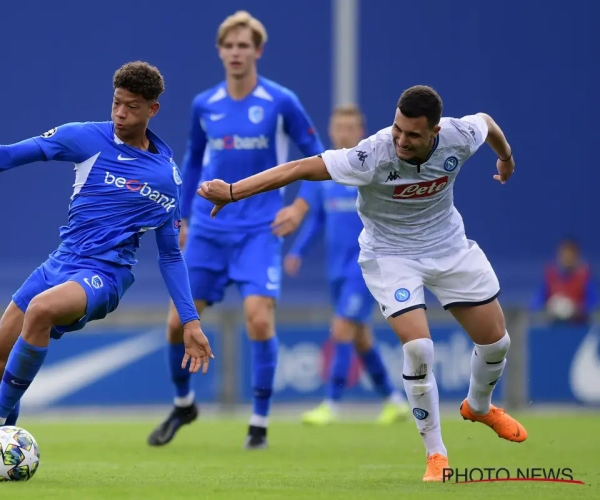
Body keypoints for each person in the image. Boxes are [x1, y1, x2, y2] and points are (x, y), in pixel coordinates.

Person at [196, 85, 526, 482]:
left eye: (413, 135)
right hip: (391, 256)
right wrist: (234, 192)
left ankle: (479, 406)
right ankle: (436, 454)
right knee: (419, 348)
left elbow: (487, 123)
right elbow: (300, 168)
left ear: (436, 131)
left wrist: (505, 159)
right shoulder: (370, 154)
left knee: (496, 343)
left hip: (449, 248)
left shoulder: (459, 134)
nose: (401, 140)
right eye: (398, 129)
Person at [0, 61, 214, 478]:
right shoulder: (85, 137)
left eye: (131, 106)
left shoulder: (164, 177)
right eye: (116, 103)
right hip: (61, 262)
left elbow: (169, 255)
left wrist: (190, 320)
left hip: (105, 276)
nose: (120, 113)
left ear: (153, 110)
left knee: (39, 310)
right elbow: (13, 154)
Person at [147, 11, 324, 450]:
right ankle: (184, 403)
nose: (236, 52)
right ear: (220, 51)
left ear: (258, 51)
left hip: (260, 231)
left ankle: (259, 425)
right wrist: (180, 217)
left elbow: (319, 158)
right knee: (175, 324)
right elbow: (191, 163)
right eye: (229, 45)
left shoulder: (281, 101)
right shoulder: (205, 104)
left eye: (245, 45)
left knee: (259, 320)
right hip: (209, 230)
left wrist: (301, 205)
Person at [281, 105, 407, 426]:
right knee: (360, 336)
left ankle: (331, 404)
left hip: (365, 266)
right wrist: (297, 252)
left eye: (352, 126)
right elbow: (317, 220)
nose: (345, 132)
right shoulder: (327, 173)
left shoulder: (371, 170)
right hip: (336, 269)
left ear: (361, 130)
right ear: (332, 129)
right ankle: (393, 399)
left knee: (342, 328)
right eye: (340, 126)